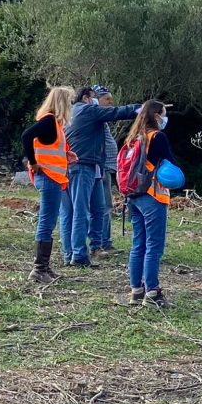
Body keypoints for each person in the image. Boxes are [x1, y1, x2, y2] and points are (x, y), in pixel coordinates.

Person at [60, 87, 141, 268]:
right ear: (87, 98)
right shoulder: (86, 109)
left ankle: (79, 250)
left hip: (86, 166)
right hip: (81, 167)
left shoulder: (71, 113)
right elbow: (116, 112)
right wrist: (139, 108)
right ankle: (77, 255)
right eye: (96, 98)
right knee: (80, 212)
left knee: (87, 210)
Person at [21, 86, 77, 282]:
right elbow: (26, 136)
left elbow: (47, 147)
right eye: (69, 102)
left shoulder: (53, 123)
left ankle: (43, 267)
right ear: (63, 102)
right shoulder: (49, 121)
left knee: (49, 221)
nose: (71, 106)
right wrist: (33, 162)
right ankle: (39, 269)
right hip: (49, 177)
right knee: (47, 221)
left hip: (51, 177)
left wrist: (65, 155)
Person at [123, 100, 175, 308]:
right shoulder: (158, 137)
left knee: (138, 244)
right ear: (156, 116)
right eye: (163, 114)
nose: (165, 118)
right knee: (154, 246)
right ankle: (152, 293)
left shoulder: (133, 138)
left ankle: (136, 290)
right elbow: (171, 164)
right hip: (152, 196)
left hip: (133, 196)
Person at [87, 85, 119, 257]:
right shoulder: (96, 120)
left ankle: (103, 242)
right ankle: (102, 243)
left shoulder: (100, 120)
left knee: (104, 206)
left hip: (105, 167)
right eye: (107, 99)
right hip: (102, 167)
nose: (110, 103)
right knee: (103, 206)